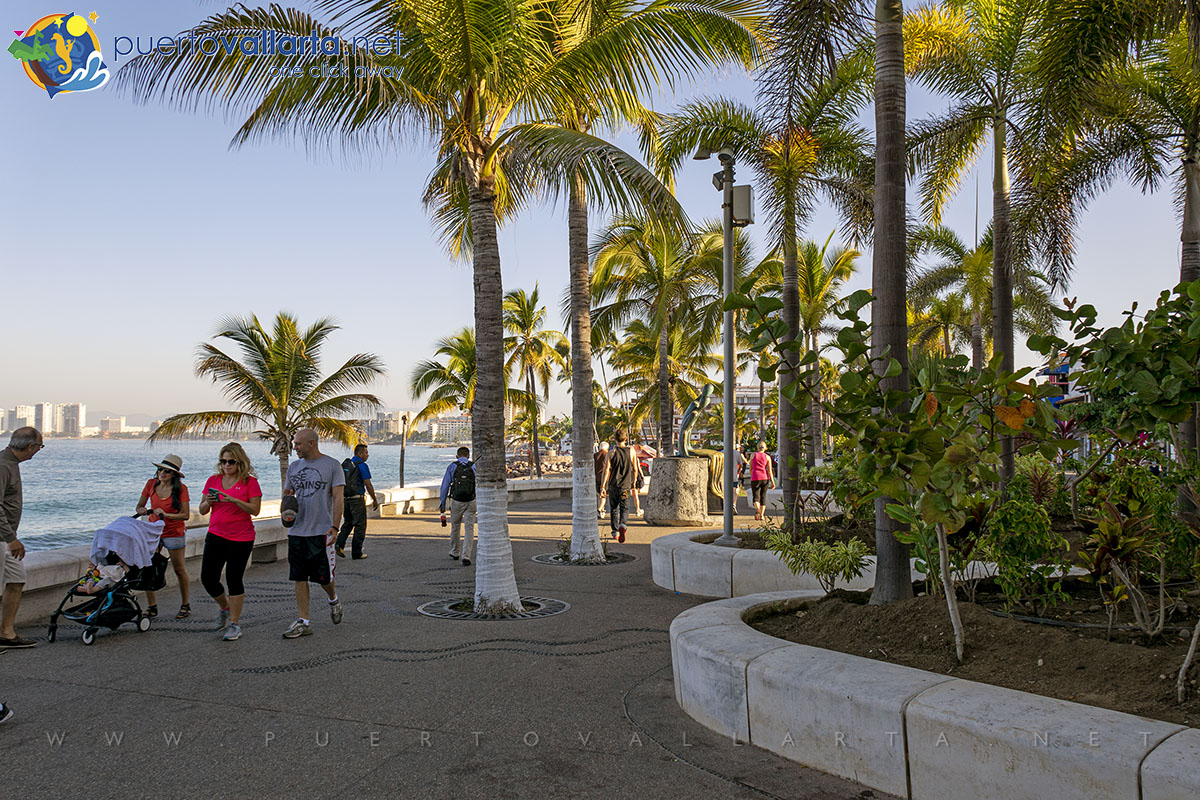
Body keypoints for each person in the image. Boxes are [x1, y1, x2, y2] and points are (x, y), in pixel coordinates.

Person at [282, 429, 345, 638]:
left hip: (321, 530)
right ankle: (304, 621)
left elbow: (338, 498)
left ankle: (333, 599)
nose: (295, 448)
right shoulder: (293, 467)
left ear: (311, 443)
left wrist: (335, 526)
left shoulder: (332, 465)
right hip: (297, 531)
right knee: (299, 577)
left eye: (298, 444)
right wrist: (286, 507)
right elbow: (287, 495)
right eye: (294, 443)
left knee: (323, 578)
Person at [198, 443, 263, 641]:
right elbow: (202, 510)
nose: (226, 465)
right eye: (223, 461)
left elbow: (255, 510)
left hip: (241, 538)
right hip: (216, 534)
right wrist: (209, 501)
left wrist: (233, 499)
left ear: (239, 462)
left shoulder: (249, 482)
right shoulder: (214, 480)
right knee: (208, 579)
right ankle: (224, 608)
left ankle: (234, 624)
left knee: (234, 580)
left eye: (231, 461)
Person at [1, 427, 42, 652]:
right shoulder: (3, 466)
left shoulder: (11, 464)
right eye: (39, 447)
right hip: (2, 538)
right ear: (30, 447)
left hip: (8, 538)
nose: (37, 452)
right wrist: (10, 538)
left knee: (16, 580)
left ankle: (6, 633)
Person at [136, 454, 191, 619]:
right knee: (147, 566)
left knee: (179, 569)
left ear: (173, 474)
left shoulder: (181, 489)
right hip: (154, 530)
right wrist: (141, 510)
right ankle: (152, 606)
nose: (162, 473)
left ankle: (185, 605)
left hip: (174, 532)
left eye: (167, 471)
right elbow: (140, 505)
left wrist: (166, 514)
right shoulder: (151, 484)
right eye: (160, 469)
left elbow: (185, 515)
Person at [336, 443, 379, 560]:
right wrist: (374, 499)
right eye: (366, 453)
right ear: (360, 454)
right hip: (357, 499)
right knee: (360, 525)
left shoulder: (345, 464)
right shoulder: (362, 465)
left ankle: (339, 544)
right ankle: (357, 552)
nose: (367, 455)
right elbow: (368, 484)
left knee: (348, 523)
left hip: (345, 499)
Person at [439, 447, 476, 567]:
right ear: (468, 456)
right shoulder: (474, 466)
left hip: (456, 501)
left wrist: (443, 503)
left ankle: (455, 552)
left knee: (455, 527)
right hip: (471, 501)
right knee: (469, 528)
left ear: (457, 456)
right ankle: (466, 555)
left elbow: (445, 486)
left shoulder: (452, 467)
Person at [601, 429, 636, 543]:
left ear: (614, 439)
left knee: (614, 509)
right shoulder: (631, 451)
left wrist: (602, 486)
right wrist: (633, 482)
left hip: (613, 486)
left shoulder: (611, 453)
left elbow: (606, 471)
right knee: (625, 508)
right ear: (625, 439)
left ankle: (615, 532)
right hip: (625, 486)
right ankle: (623, 525)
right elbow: (635, 469)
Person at [749, 440, 776, 521]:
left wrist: (752, 475)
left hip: (755, 477)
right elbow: (769, 470)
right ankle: (762, 515)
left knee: (756, 497)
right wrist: (772, 482)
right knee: (763, 496)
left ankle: (757, 510)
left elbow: (750, 468)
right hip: (765, 477)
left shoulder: (753, 455)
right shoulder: (767, 457)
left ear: (758, 447)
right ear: (765, 448)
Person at [593, 442, 609, 518]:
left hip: (596, 477)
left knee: (599, 494)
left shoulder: (595, 455)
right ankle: (599, 509)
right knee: (604, 495)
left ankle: (601, 510)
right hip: (605, 477)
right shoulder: (607, 454)